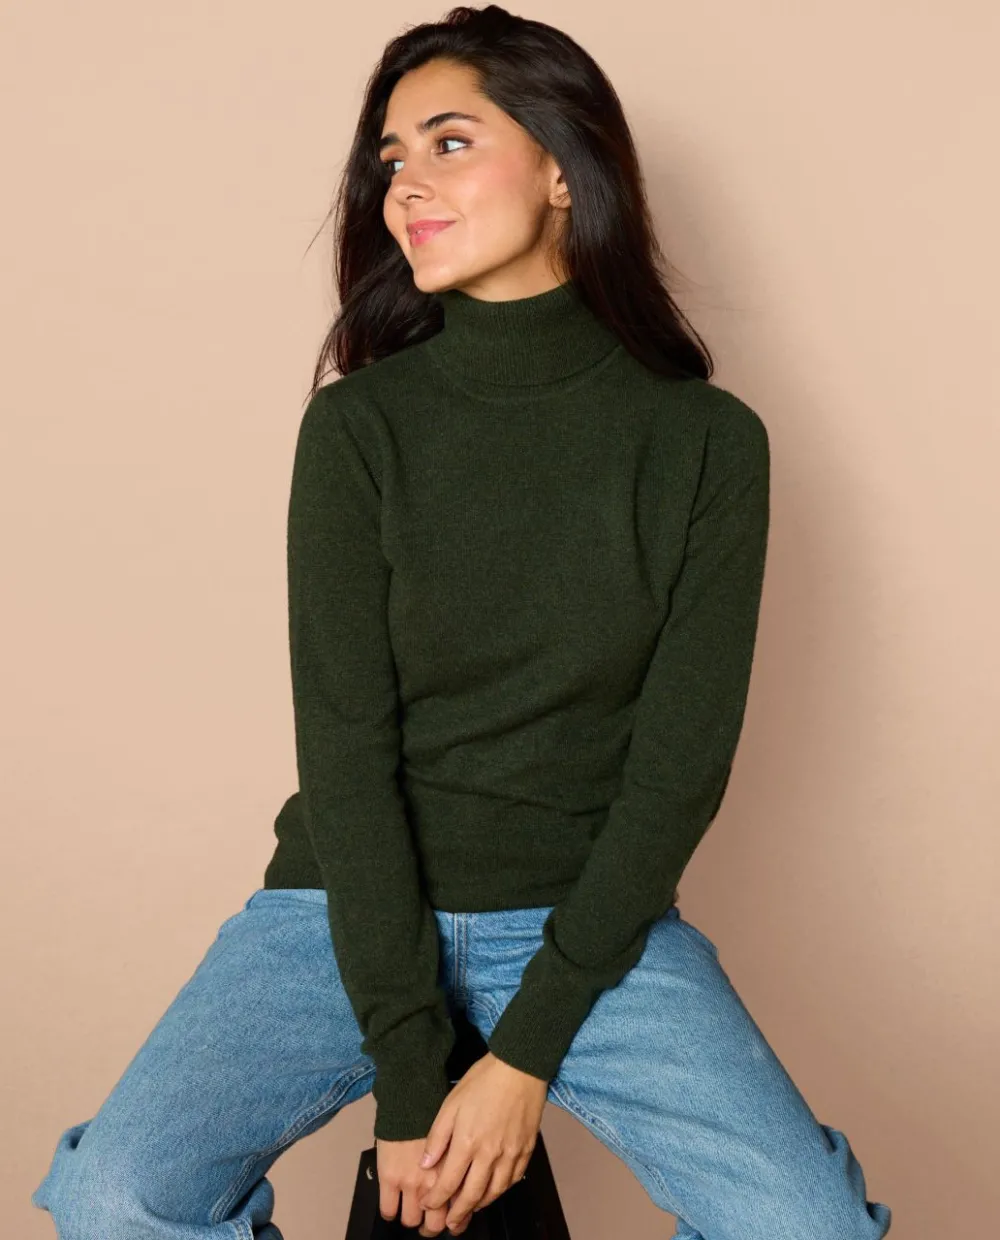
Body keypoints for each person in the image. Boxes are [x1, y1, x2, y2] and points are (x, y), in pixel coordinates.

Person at [30, 6, 892, 1239]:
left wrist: (523, 1055)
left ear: (562, 168)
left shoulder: (705, 444)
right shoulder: (361, 428)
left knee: (807, 1226)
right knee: (116, 1196)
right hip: (343, 907)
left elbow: (676, 772)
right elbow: (346, 753)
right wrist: (410, 1069)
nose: (404, 186)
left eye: (447, 143)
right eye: (390, 158)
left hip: (583, 919)